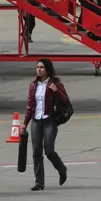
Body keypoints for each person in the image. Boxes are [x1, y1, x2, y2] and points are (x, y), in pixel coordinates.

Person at [23, 59, 69, 191]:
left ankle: (62, 169)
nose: (38, 69)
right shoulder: (33, 85)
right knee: (36, 152)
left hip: (49, 120)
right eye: (37, 67)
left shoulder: (55, 84)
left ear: (48, 69)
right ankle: (39, 182)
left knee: (49, 150)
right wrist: (25, 123)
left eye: (41, 67)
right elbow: (30, 106)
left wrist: (56, 91)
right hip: (36, 121)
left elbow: (65, 100)